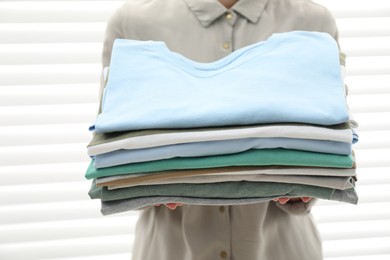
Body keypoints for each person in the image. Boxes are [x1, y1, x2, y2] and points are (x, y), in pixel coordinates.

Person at [100, 0, 341, 259]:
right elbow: (114, 148)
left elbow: (332, 138)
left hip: (283, 249)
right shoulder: (133, 23)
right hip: (170, 249)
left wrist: (308, 181)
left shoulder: (313, 22)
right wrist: (141, 185)